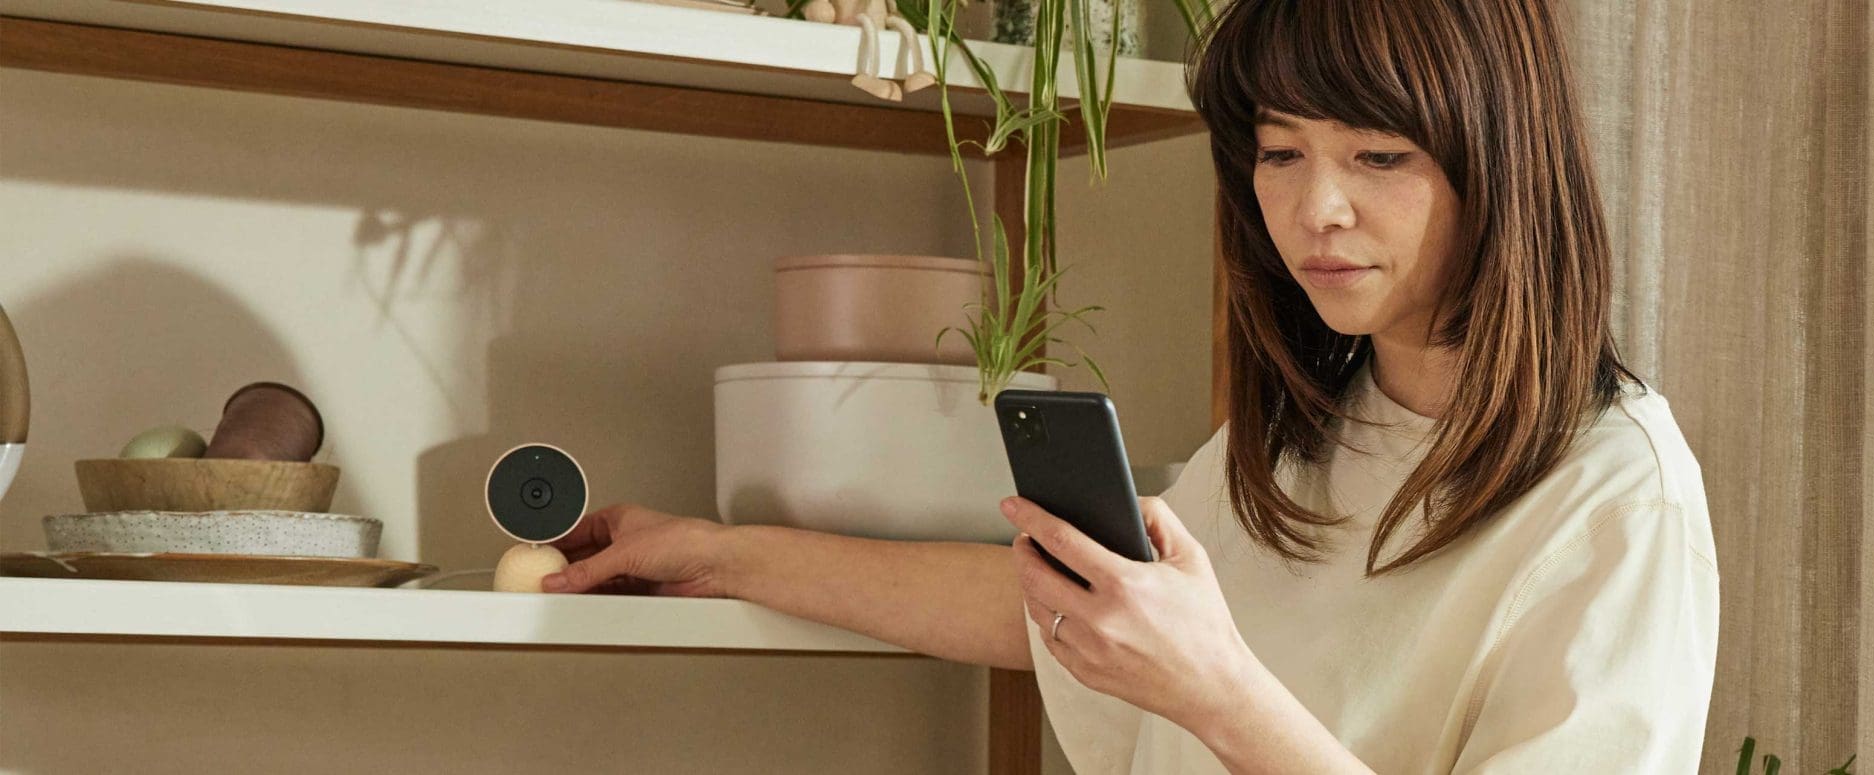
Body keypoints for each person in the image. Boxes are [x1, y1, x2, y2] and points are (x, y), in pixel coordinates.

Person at [541, 0, 1718, 771]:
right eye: (1279, 153)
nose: (1317, 210)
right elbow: (1057, 614)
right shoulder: (1312, 435)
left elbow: (1185, 666)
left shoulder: (1614, 494)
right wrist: (713, 551)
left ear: (1497, 161)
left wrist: (1214, 690)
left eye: (1379, 156)